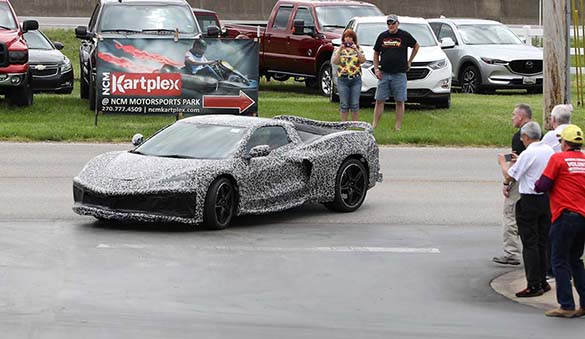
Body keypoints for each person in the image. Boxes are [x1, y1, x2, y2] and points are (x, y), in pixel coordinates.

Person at [498, 121, 554, 297]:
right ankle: (543, 281)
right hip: (546, 200)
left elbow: (510, 175)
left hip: (529, 200)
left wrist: (502, 163)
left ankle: (533, 285)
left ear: (526, 137)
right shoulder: (548, 151)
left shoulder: (528, 153)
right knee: (542, 242)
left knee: (529, 243)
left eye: (523, 138)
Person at [535, 124, 585, 318]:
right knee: (576, 261)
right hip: (582, 217)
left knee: (559, 261)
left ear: (564, 143)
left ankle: (566, 305)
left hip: (564, 216)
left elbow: (542, 185)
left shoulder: (558, 159)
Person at [493, 104, 532, 266]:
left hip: (520, 181)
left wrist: (506, 182)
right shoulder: (539, 134)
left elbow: (515, 165)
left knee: (510, 214)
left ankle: (511, 253)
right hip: (536, 182)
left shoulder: (519, 137)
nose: (512, 118)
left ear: (521, 117)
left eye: (514, 115)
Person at [371, 14, 419, 131]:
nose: (391, 25)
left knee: (399, 101)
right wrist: (376, 68)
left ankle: (397, 127)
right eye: (389, 23)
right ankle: (374, 126)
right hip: (384, 73)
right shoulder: (382, 36)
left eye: (393, 23)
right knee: (379, 100)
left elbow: (416, 46)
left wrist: (410, 61)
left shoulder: (404, 35)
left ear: (398, 23)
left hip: (399, 74)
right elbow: (376, 53)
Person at [332, 29, 365, 122]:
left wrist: (356, 49)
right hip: (343, 79)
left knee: (354, 104)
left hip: (355, 79)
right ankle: (344, 125)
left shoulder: (358, 48)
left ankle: (355, 124)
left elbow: (362, 60)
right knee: (344, 104)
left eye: (350, 37)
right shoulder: (339, 49)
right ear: (343, 38)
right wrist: (340, 50)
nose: (348, 39)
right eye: (346, 37)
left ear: (353, 39)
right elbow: (335, 61)